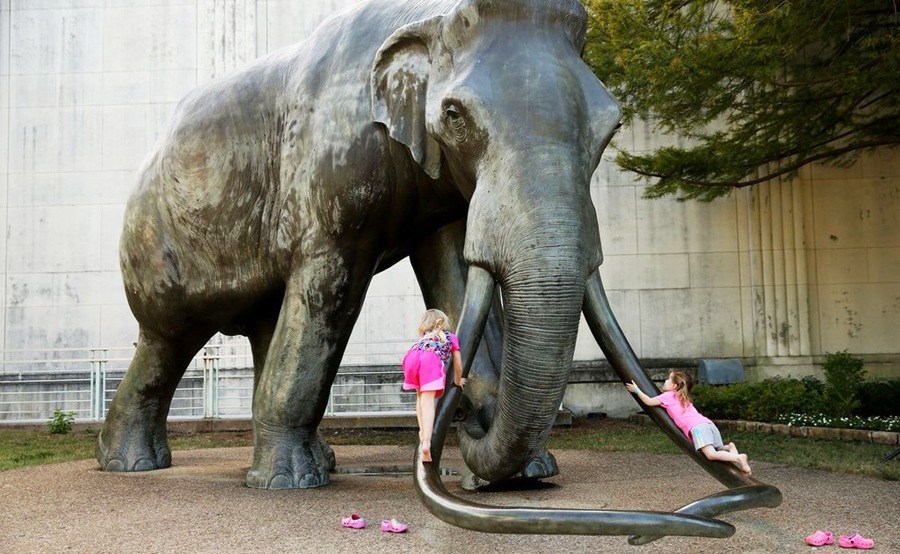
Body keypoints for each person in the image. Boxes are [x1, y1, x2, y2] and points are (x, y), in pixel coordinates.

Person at [625, 370, 752, 475]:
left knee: (711, 455)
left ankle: (738, 458)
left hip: (697, 428)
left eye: (668, 380)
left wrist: (636, 390)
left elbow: (648, 401)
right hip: (708, 424)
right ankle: (731, 450)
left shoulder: (668, 396)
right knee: (719, 449)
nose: (665, 381)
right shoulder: (685, 398)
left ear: (674, 386)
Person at [402, 309, 466, 462]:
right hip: (429, 360)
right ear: (443, 323)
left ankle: (422, 432)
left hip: (411, 357)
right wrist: (458, 381)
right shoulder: (450, 337)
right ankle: (426, 443)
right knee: (428, 401)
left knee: (420, 397)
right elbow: (458, 365)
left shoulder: (424, 337)